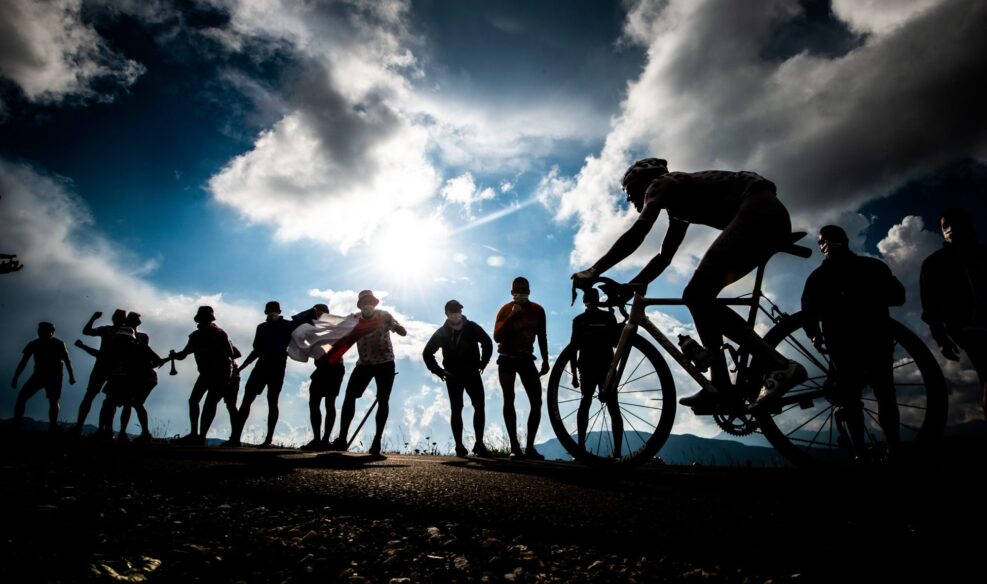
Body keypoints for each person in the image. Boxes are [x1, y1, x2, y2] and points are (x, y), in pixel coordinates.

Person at [571, 158, 806, 411]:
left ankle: (778, 365)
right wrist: (631, 286)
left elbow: (639, 232)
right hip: (765, 212)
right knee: (700, 298)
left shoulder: (662, 183)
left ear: (644, 181)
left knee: (696, 295)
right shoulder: (677, 207)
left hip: (758, 208)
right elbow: (664, 257)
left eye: (629, 191)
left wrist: (594, 270)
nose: (629, 199)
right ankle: (721, 386)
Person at [801, 225, 906, 460]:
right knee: (876, 394)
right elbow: (897, 295)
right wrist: (814, 333)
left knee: (865, 396)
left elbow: (897, 296)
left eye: (829, 240)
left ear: (845, 240)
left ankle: (873, 449)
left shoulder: (821, 277)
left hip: (853, 342)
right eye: (822, 241)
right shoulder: (870, 267)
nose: (826, 244)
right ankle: (881, 449)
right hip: (867, 339)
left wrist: (815, 334)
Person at [921, 208, 987, 419]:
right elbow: (930, 305)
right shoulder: (934, 263)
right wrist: (940, 338)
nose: (950, 229)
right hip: (968, 327)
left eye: (955, 223)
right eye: (945, 226)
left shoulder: (983, 254)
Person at [331, 290, 407, 456]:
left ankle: (377, 441)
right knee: (350, 396)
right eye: (364, 303)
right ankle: (342, 438)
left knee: (383, 399)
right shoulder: (354, 320)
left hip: (385, 363)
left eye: (370, 302)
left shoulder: (383, 316)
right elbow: (338, 333)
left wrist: (397, 328)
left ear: (374, 304)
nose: (367, 305)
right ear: (360, 306)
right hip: (364, 364)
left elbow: (399, 328)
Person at [423, 299, 493, 457]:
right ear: (446, 314)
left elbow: (487, 343)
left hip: (472, 373)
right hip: (452, 375)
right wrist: (438, 371)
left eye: (458, 311)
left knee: (479, 406)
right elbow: (427, 353)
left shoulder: (472, 327)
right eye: (452, 312)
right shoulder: (441, 332)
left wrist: (483, 362)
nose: (456, 314)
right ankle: (459, 446)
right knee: (456, 409)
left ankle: (479, 444)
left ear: (461, 312)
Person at [493, 277, 550, 460]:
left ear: (529, 291)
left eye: (524, 289)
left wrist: (546, 360)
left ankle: (530, 447)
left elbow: (542, 336)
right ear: (512, 292)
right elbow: (497, 336)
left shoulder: (538, 310)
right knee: (509, 399)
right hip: (506, 358)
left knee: (537, 402)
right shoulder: (505, 310)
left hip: (526, 359)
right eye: (517, 289)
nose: (521, 292)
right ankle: (514, 447)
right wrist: (512, 316)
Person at [232, 301, 298, 447]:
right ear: (266, 313)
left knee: (272, 400)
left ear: (279, 312)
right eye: (270, 311)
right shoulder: (262, 328)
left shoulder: (288, 325)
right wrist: (241, 367)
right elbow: (256, 350)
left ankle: (268, 440)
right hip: (262, 365)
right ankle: (235, 438)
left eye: (274, 311)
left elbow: (304, 325)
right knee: (247, 400)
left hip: (278, 367)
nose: (272, 313)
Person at [170, 306, 239, 445]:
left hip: (221, 373)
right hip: (206, 373)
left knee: (209, 403)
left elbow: (231, 353)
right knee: (193, 400)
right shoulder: (195, 336)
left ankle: (201, 437)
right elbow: (184, 354)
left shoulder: (220, 333)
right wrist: (175, 355)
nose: (203, 321)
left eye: (205, 319)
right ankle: (194, 434)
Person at [568, 288, 622, 456]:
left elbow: (572, 349)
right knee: (597, 404)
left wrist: (574, 374)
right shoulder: (585, 319)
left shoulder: (585, 319)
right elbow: (573, 349)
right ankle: (613, 453)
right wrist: (574, 374)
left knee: (596, 404)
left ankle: (586, 449)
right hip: (595, 366)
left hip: (598, 366)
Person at [11, 322, 76, 431]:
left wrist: (71, 376)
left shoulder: (59, 343)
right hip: (38, 375)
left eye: (44, 330)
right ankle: (16, 423)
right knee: (22, 397)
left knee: (54, 401)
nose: (41, 332)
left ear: (52, 332)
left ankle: (53, 426)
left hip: (55, 376)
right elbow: (23, 362)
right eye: (40, 330)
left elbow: (67, 361)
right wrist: (15, 377)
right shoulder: (34, 344)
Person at [73, 309, 127, 433]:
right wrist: (93, 318)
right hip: (106, 368)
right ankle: (83, 427)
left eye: (119, 317)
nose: (117, 319)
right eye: (117, 316)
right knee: (95, 397)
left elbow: (101, 352)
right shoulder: (108, 330)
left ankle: (103, 430)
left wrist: (94, 318)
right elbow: (87, 332)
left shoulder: (123, 333)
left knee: (107, 400)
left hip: (113, 370)